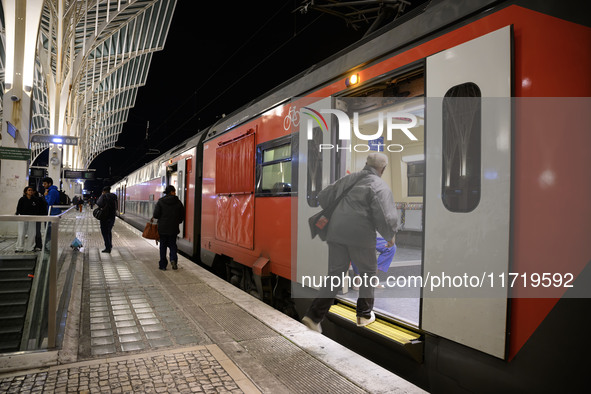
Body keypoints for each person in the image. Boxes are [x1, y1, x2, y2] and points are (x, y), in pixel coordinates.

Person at [301, 152, 399, 332]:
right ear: (382, 169)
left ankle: (313, 316)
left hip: (335, 233)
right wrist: (390, 236)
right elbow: (386, 216)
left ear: (366, 163)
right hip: (360, 236)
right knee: (368, 272)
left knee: (336, 274)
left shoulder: (348, 178)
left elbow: (324, 197)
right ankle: (364, 314)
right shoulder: (379, 185)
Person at [152, 185, 184, 271]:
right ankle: (173, 260)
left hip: (162, 229)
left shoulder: (160, 202)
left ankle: (163, 265)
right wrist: (178, 221)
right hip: (173, 228)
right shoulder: (178, 202)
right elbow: (182, 215)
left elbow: (156, 215)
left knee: (163, 246)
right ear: (172, 192)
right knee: (173, 245)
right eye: (174, 191)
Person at [15, 186, 44, 252]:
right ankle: (19, 247)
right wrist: (18, 214)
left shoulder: (35, 200)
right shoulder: (22, 199)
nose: (30, 191)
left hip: (32, 218)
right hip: (22, 217)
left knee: (32, 233)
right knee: (21, 233)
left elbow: (37, 209)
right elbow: (18, 208)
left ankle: (30, 248)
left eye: (32, 190)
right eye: (29, 190)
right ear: (26, 191)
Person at [96, 186, 117, 253]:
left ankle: (107, 248)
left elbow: (99, 203)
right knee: (109, 231)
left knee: (105, 233)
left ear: (104, 191)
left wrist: (102, 195)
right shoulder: (114, 197)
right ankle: (109, 245)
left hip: (104, 217)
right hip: (112, 217)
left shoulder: (104, 196)